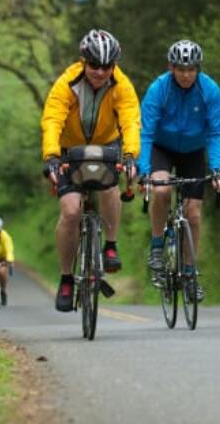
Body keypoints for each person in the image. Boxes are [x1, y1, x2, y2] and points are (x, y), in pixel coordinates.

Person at [41, 28, 140, 312]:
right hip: (68, 150)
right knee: (71, 211)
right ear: (83, 61)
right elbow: (52, 120)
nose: (100, 72)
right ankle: (67, 278)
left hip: (105, 146)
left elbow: (131, 120)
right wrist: (50, 156)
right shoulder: (66, 83)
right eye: (94, 65)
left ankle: (110, 245)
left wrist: (132, 155)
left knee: (111, 188)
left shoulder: (121, 85)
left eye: (107, 66)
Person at [139, 39, 220, 302]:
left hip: (193, 150)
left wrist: (216, 167)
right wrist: (144, 170)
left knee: (193, 213)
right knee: (163, 189)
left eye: (192, 69)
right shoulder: (159, 89)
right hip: (161, 148)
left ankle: (190, 274)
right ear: (171, 67)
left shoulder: (209, 89)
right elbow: (145, 131)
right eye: (181, 69)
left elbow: (218, 131)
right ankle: (157, 246)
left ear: (198, 69)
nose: (187, 74)